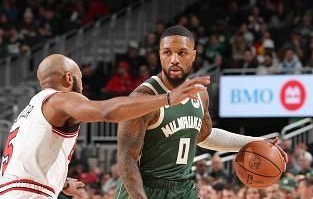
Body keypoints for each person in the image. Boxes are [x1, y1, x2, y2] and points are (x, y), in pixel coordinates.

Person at [0, 54, 210, 199]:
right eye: (81, 79)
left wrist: (61, 183)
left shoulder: (29, 112)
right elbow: (106, 111)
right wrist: (167, 98)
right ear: (68, 78)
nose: (82, 87)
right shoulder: (60, 100)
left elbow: (23, 168)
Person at [115, 26, 288, 199]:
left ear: (193, 55)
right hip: (145, 188)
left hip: (183, 188)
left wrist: (258, 142)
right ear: (160, 54)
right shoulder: (143, 98)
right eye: (167, 52)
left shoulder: (199, 93)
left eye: (182, 53)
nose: (174, 59)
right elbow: (126, 159)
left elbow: (205, 136)